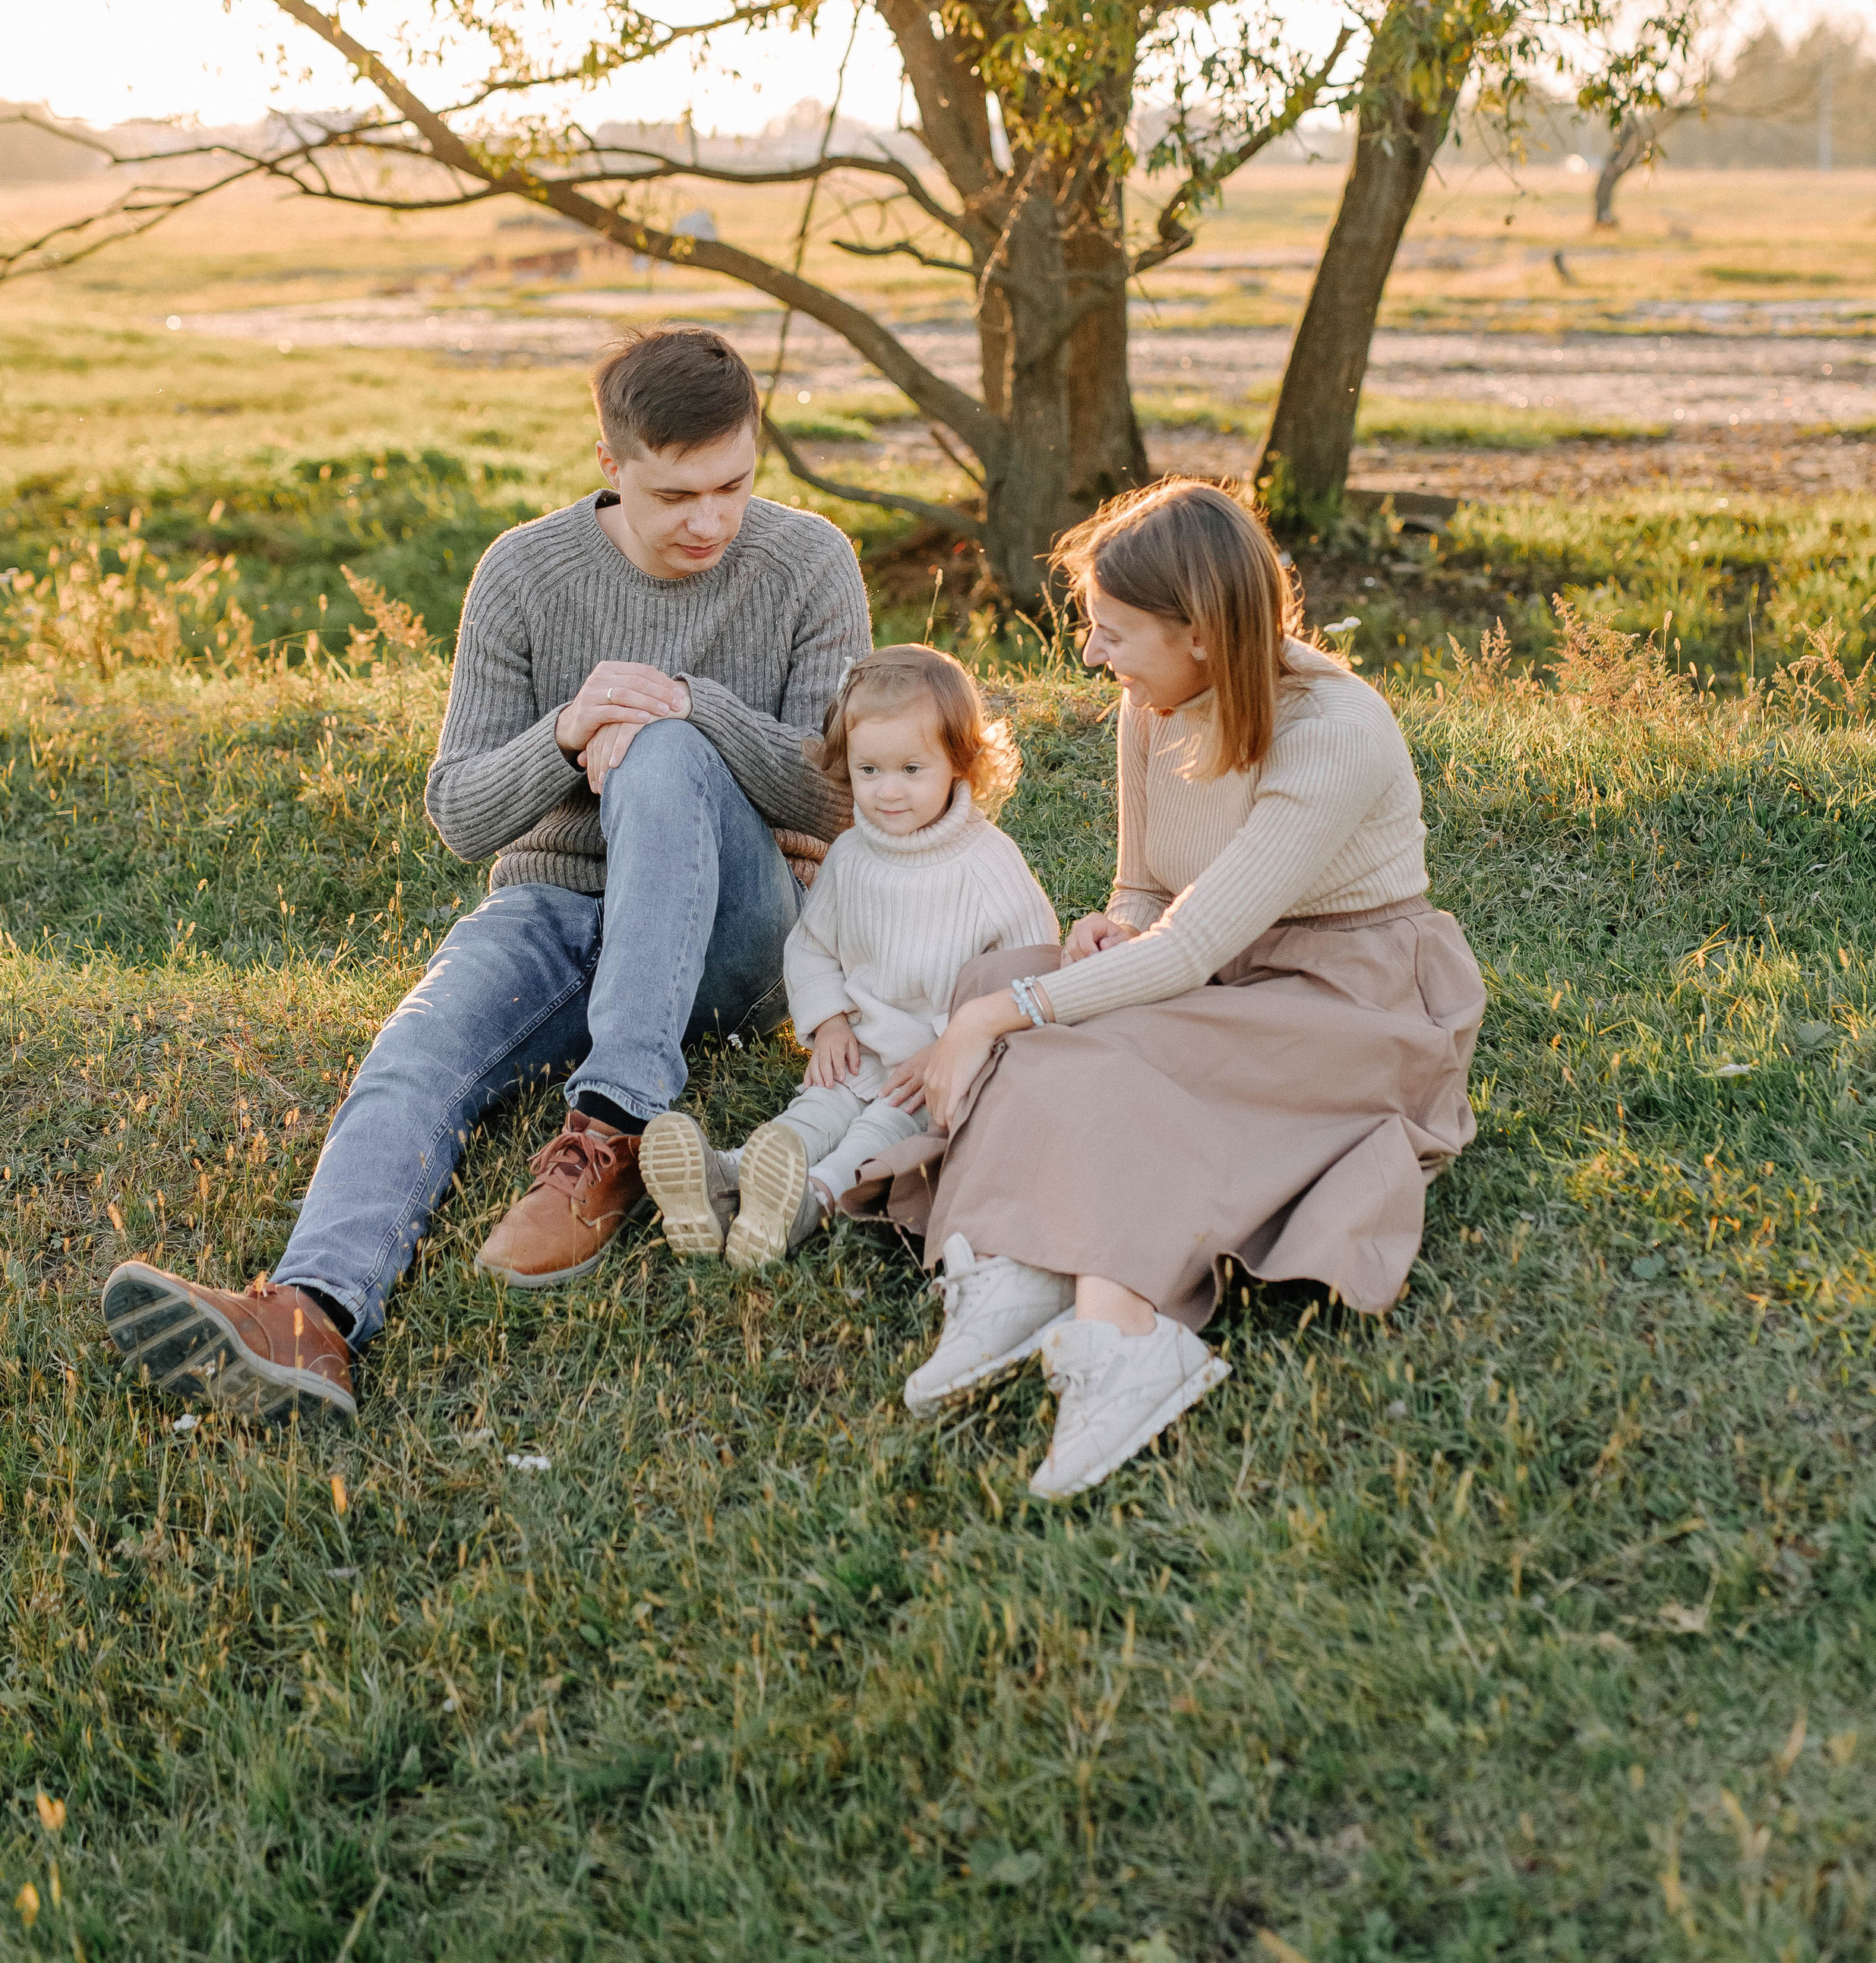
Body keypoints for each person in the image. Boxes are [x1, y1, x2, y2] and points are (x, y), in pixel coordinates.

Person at [102, 324, 870, 1422]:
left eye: (734, 483)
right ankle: (310, 1318)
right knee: (416, 1056)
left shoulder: (809, 562)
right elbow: (460, 815)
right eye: (675, 495)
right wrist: (567, 731)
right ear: (610, 467)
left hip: (736, 929)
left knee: (662, 744)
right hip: (554, 908)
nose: (711, 519)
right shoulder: (522, 571)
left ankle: (613, 1126)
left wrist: (681, 712)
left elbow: (843, 796)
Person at [900, 478, 1484, 1502]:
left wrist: (1009, 1015)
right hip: (1212, 960)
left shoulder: (1336, 729)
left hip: (1345, 991)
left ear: (1205, 634)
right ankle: (1020, 1263)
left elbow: (1192, 944)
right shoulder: (1149, 698)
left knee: (1082, 1036)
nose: (1094, 654)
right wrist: (1109, 927)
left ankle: (1123, 1334)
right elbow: (1150, 890)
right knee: (1005, 979)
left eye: (1116, 632)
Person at [639, 645, 1058, 1269]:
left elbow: (1031, 967)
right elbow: (812, 947)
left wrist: (950, 1043)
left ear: (959, 762)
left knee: (877, 1132)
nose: (887, 792)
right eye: (869, 771)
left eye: (912, 770)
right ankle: (726, 1176)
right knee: (814, 1111)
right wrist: (830, 1020)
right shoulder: (851, 857)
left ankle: (810, 1199)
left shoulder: (987, 864)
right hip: (861, 1050)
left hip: (935, 1070)